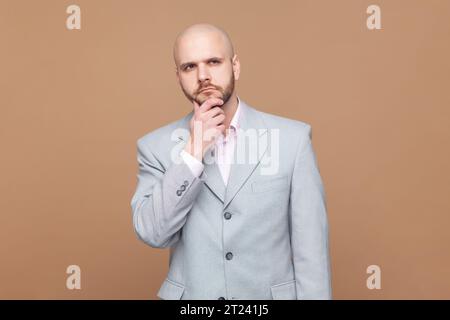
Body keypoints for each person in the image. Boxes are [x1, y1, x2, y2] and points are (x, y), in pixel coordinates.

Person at [130, 23, 332, 300]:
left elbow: (312, 253)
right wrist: (193, 152)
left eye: (213, 61)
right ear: (178, 76)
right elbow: (153, 232)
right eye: (190, 67)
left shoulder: (292, 140)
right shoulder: (155, 147)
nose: (203, 76)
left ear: (235, 66)